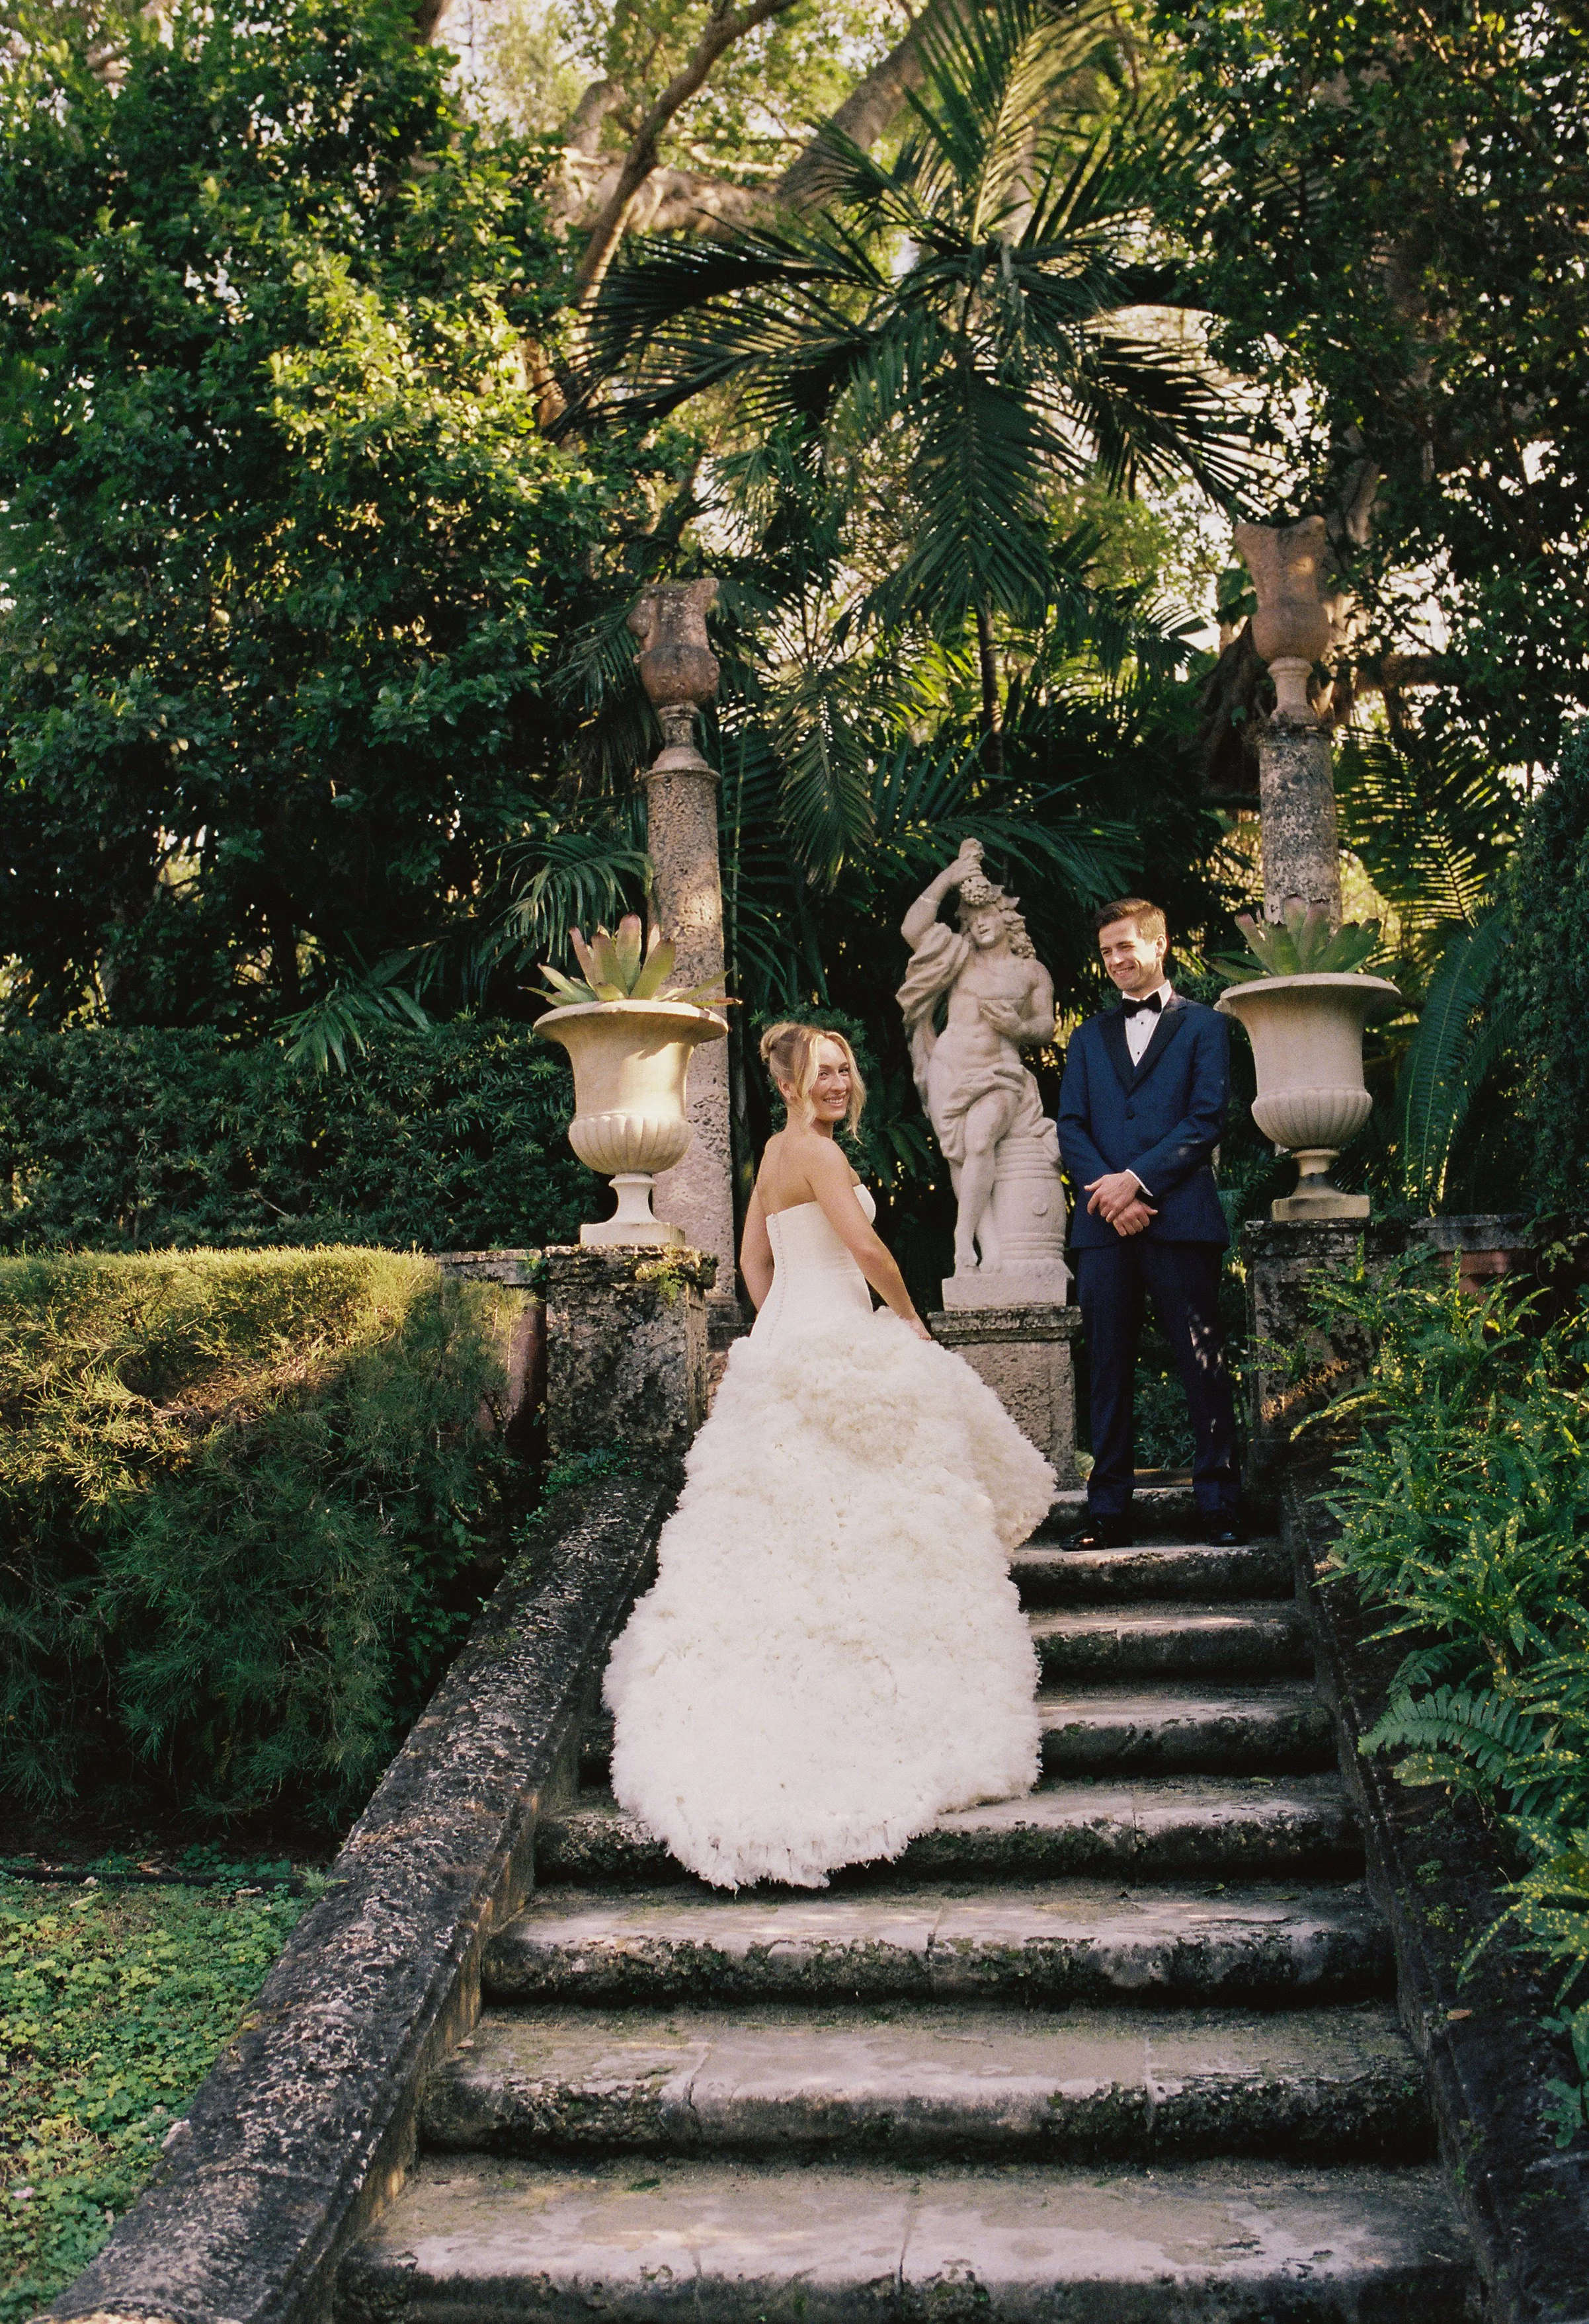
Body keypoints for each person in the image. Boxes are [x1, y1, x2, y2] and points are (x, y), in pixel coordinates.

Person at [603, 1021, 1051, 1890]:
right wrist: (908, 1322)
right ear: (791, 1083)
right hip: (837, 1335)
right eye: (823, 1071)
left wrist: (781, 1327)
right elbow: (866, 1246)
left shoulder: (773, 1154)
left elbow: (750, 1261)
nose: (838, 1083)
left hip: (790, 1339)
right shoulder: (812, 1152)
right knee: (874, 1509)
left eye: (845, 1068)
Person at [1055, 898, 1243, 1550]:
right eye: (1106, 951)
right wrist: (1112, 1196)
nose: (1115, 961)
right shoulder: (1085, 1036)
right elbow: (1071, 1125)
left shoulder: (1206, 1026)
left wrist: (1137, 1181)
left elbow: (1206, 1118)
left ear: (1159, 944)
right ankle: (1107, 1509)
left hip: (1180, 1218)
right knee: (1107, 1366)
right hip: (1105, 1227)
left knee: (1201, 1362)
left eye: (1125, 947)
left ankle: (1219, 1503)